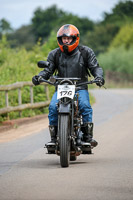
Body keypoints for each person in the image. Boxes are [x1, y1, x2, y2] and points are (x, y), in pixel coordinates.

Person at [32, 24, 105, 147]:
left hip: (80, 86)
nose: (66, 41)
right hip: (61, 88)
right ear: (60, 39)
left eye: (69, 38)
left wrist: (99, 77)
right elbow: (47, 70)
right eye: (63, 38)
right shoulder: (54, 54)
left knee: (85, 105)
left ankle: (88, 136)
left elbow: (95, 67)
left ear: (75, 38)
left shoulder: (85, 52)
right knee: (52, 107)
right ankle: (54, 138)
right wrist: (40, 77)